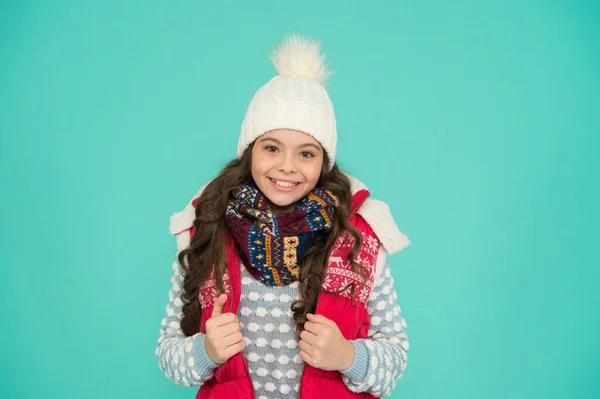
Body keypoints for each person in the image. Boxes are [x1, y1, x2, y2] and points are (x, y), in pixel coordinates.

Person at [155, 33, 411, 399]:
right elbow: (167, 352)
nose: (287, 167)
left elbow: (396, 355)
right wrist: (205, 351)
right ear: (249, 151)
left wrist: (348, 356)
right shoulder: (206, 232)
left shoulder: (359, 240)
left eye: (306, 153)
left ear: (324, 162)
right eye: (272, 148)